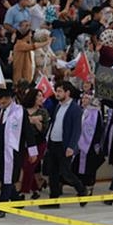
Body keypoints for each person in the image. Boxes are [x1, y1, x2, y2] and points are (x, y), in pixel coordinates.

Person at [0, 88, 38, 217]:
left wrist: (32, 151)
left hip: (12, 152)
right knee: (2, 177)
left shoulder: (20, 112)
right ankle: (16, 200)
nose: (1, 101)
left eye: (4, 98)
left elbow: (28, 132)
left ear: (10, 99)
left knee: (7, 178)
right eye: (0, 98)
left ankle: (2, 207)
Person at [40, 81, 89, 209]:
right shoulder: (58, 106)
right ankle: (53, 200)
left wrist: (71, 147)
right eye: (57, 90)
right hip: (53, 144)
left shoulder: (75, 109)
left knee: (65, 172)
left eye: (60, 91)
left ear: (67, 92)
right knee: (53, 173)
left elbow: (76, 130)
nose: (57, 93)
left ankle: (82, 189)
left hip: (65, 145)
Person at [74, 94, 104, 195]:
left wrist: (96, 144)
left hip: (91, 144)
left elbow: (99, 130)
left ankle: (89, 187)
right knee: (79, 166)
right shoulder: (82, 111)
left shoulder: (95, 113)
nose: (83, 100)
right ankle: (82, 186)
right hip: (79, 143)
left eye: (86, 98)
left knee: (90, 167)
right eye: (83, 98)